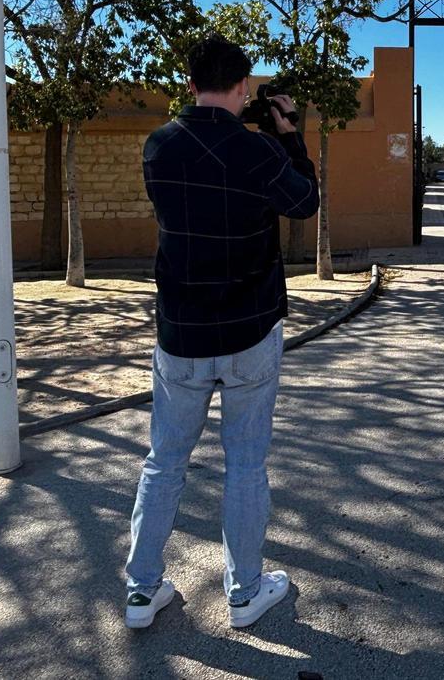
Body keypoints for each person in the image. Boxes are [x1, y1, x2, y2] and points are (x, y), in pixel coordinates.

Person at [124, 34, 319, 630]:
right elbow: (305, 202)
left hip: (180, 333)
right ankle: (244, 592)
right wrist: (288, 135)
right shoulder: (258, 152)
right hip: (249, 331)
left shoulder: (159, 148)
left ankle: (141, 591)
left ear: (190, 84)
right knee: (244, 464)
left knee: (164, 462)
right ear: (244, 88)